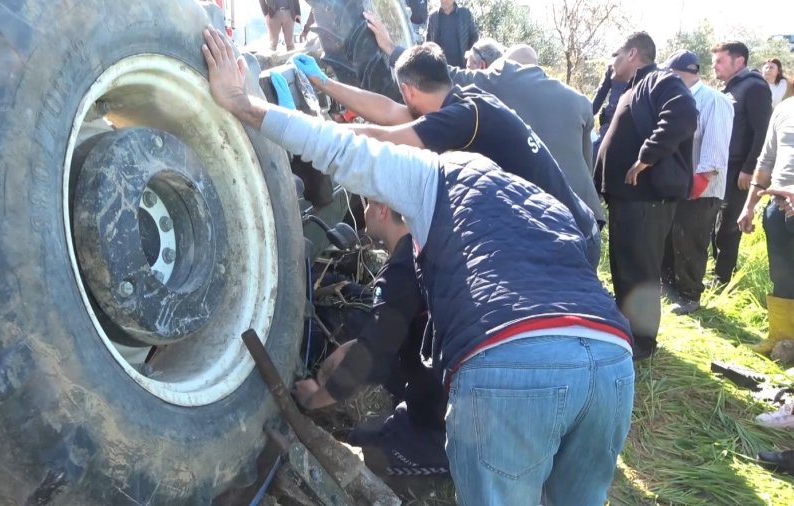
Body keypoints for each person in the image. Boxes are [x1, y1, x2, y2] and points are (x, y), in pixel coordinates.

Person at [201, 24, 634, 506]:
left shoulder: (437, 175)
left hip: (513, 368)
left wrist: (244, 104)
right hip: (611, 361)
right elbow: (393, 114)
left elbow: (343, 147)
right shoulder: (538, 196)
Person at [292, 43, 602, 267]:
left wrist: (309, 129)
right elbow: (389, 111)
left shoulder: (465, 117)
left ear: (409, 90)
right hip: (575, 226)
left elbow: (384, 136)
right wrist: (324, 83)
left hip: (569, 240)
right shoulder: (467, 104)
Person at [364, 12, 605, 230]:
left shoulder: (499, 81)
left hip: (556, 222)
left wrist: (392, 48)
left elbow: (441, 76)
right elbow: (587, 162)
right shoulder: (579, 100)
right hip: (586, 211)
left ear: (490, 66)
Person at [292, 199, 448, 476]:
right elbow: (390, 331)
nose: (363, 208)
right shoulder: (428, 244)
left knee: (373, 454)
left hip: (461, 414)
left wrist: (314, 398)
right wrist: (357, 346)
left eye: (367, 202)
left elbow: (374, 357)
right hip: (451, 370)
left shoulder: (402, 269)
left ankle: (446, 452)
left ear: (382, 210)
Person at [595, 32, 698, 360]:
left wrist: (647, 156)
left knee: (639, 270)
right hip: (628, 199)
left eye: (617, 54)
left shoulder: (660, 79)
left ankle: (642, 343)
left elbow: (683, 114)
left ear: (633, 53)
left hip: (646, 199)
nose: (612, 63)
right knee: (625, 267)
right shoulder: (632, 87)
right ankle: (626, 331)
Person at [660, 50, 734, 315]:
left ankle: (690, 295)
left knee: (690, 241)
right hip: (675, 184)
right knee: (669, 238)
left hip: (701, 187)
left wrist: (700, 181)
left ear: (679, 73)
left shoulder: (714, 100)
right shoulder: (675, 99)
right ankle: (667, 286)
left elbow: (715, 148)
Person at [710, 41, 773, 287]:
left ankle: (722, 280)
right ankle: (717, 270)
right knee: (716, 222)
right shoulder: (730, 88)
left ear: (739, 62)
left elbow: (762, 132)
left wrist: (749, 168)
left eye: (720, 61)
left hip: (740, 170)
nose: (715, 66)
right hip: (722, 167)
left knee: (729, 224)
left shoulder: (754, 87)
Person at [737, 97, 794, 354]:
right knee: (782, 276)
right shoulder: (784, 108)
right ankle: (783, 340)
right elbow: (767, 160)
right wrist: (749, 205)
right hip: (778, 206)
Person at [591, 64, 628, 168]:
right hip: (608, 129)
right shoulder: (613, 68)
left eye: (617, 54)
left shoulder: (649, 73)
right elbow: (594, 106)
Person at [425, 0, 477, 68]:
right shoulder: (433, 16)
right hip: (440, 67)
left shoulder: (465, 14)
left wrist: (472, 60)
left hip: (462, 66)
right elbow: (428, 42)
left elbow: (474, 38)